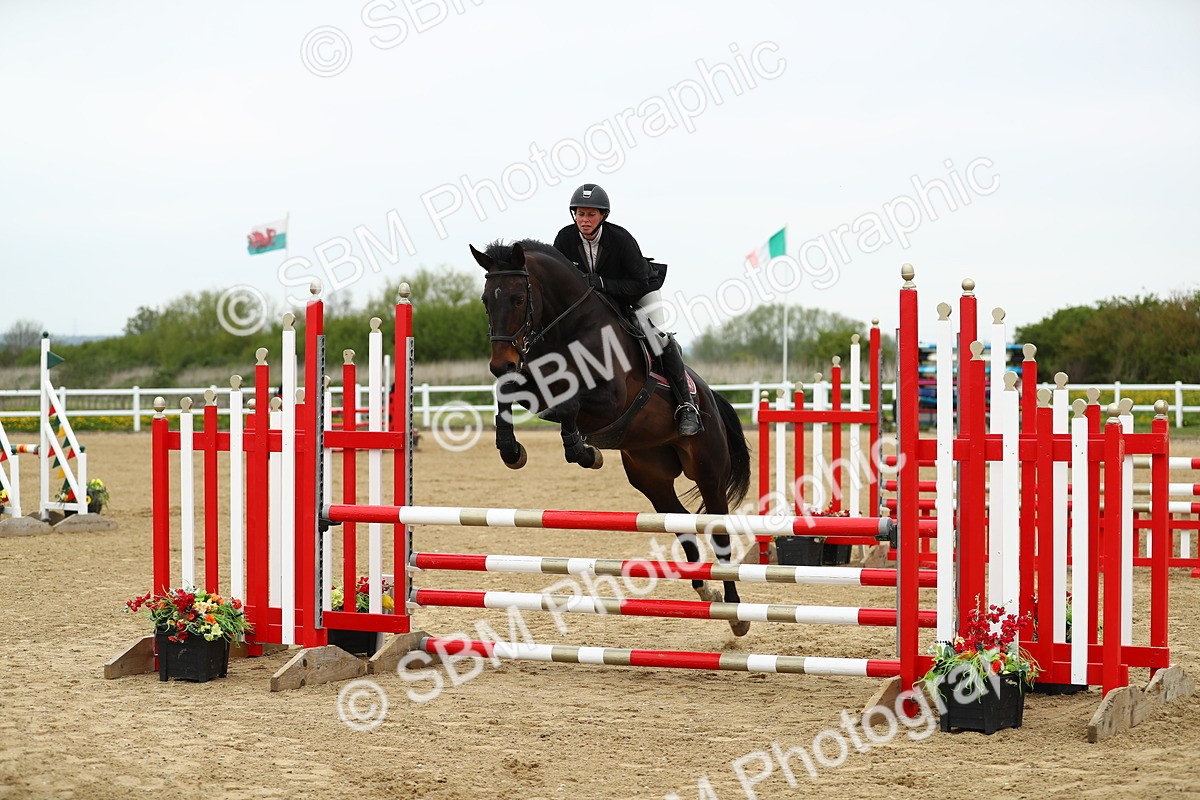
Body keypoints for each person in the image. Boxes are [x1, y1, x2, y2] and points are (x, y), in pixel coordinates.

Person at [552, 183, 701, 436]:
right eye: (580, 213)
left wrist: (602, 283)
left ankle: (686, 406)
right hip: (594, 304)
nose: (584, 220)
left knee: (659, 340)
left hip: (637, 293)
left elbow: (639, 282)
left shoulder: (620, 239)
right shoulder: (565, 239)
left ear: (603, 217)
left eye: (590, 214)